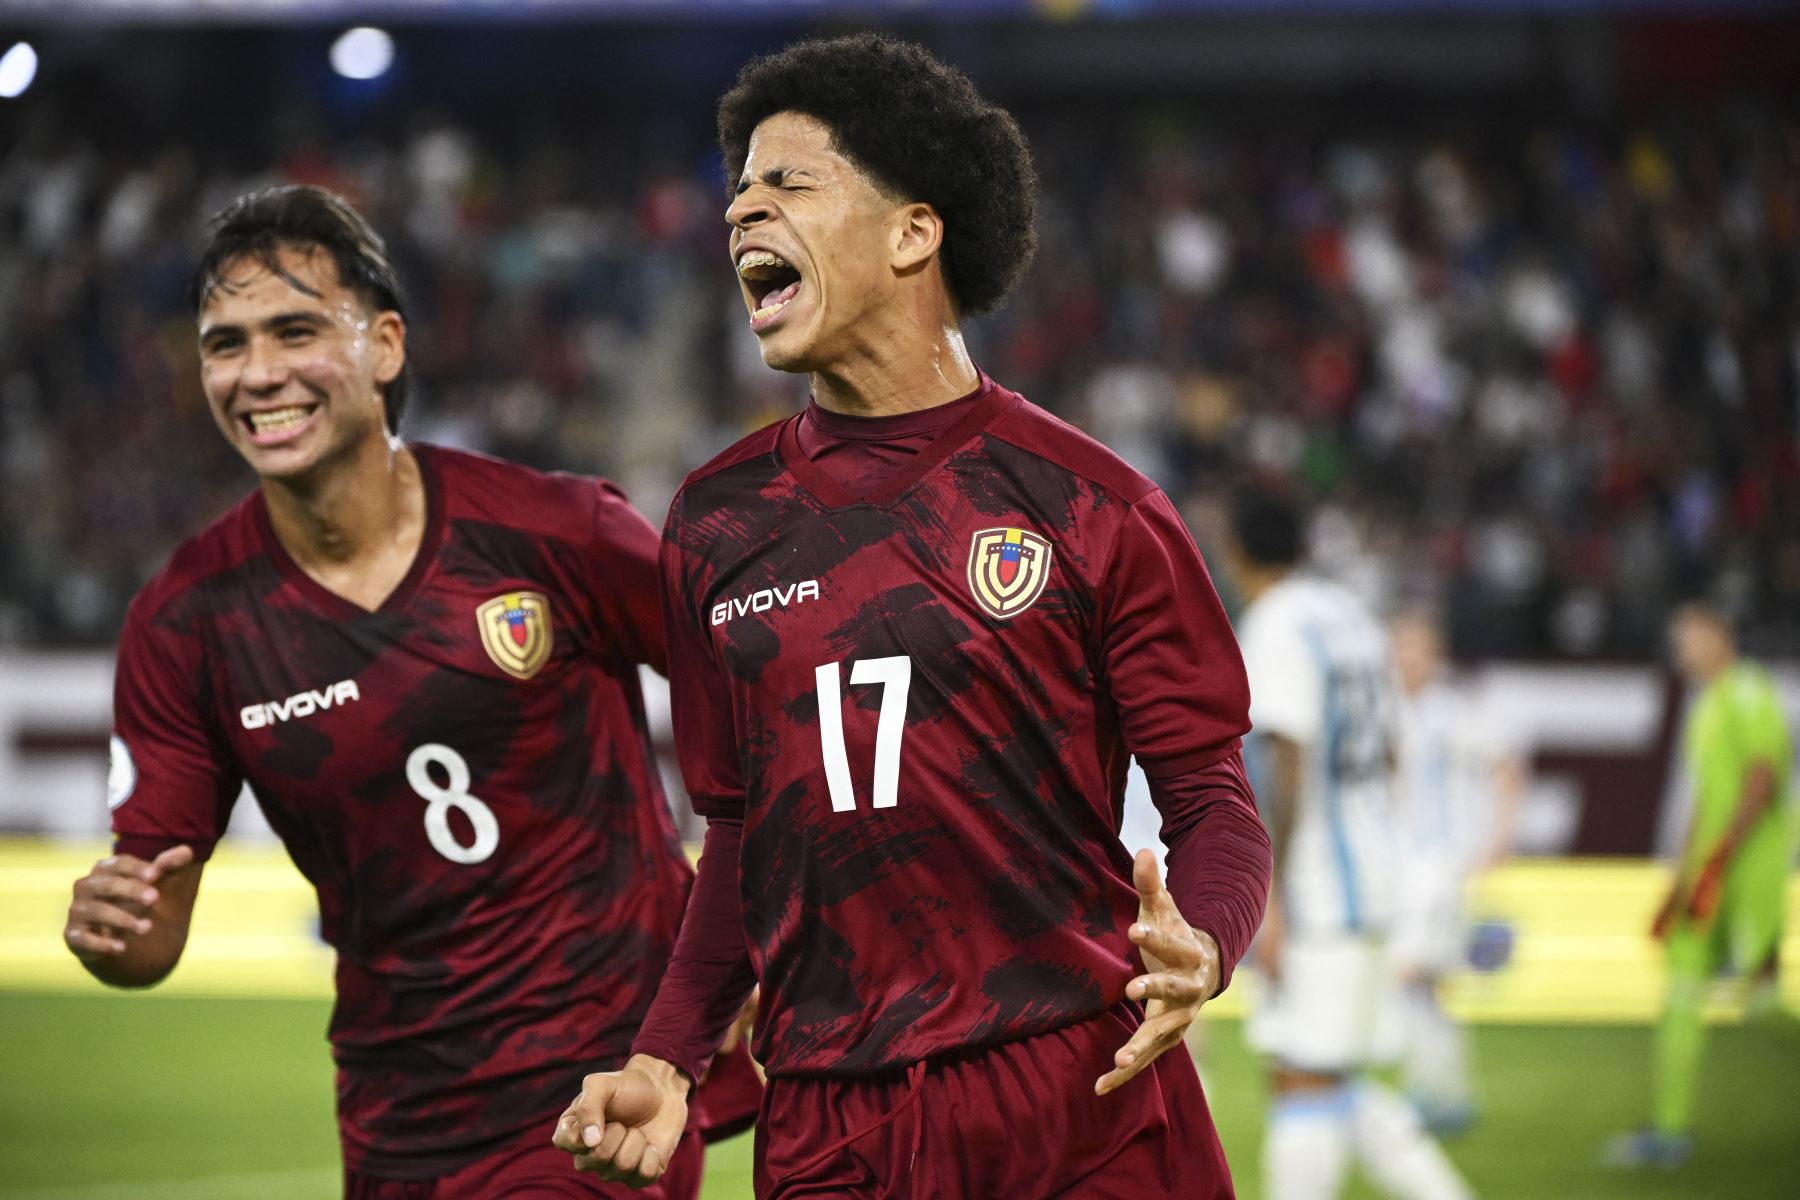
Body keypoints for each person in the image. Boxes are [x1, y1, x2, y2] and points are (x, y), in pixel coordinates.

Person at [554, 33, 1271, 1198]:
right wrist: (667, 1055)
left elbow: (1211, 801)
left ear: (912, 231)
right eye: (736, 190)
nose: (742, 211)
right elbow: (738, 839)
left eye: (788, 182)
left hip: (1082, 1096)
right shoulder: (714, 524)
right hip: (835, 1127)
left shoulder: (1093, 507)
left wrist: (1207, 945)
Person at [60, 184, 753, 1198]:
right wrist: (115, 929)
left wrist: (757, 927)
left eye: (294, 331)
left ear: (384, 346)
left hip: (602, 1083)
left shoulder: (555, 533)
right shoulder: (186, 624)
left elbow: (757, 708)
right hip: (398, 1118)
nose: (257, 374)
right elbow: (152, 930)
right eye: (225, 343)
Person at [1230, 487, 1471, 1200]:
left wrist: (1268, 894)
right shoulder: (1356, 619)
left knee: (1299, 1074)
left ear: (1239, 552)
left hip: (1319, 890)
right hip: (1376, 873)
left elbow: (1289, 758)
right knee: (1334, 1076)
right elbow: (1394, 751)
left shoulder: (1276, 623)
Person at [1604, 599, 1795, 1169]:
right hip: (1709, 873)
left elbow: (1763, 777)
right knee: (1681, 990)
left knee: (1761, 1000)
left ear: (1721, 636)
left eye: (1689, 637)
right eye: (1676, 638)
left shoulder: (1747, 690)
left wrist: (1720, 858)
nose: (1680, 648)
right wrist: (1684, 874)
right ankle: (1669, 1130)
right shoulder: (1707, 703)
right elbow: (1705, 798)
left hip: (1748, 871)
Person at [1388, 609, 1527, 1134]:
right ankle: (1446, 1093)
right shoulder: (1386, 709)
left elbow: (1508, 766)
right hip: (1397, 864)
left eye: (1416, 647)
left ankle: (1430, 1095)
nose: (1405, 658)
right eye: (1399, 646)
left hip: (1439, 864)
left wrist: (1500, 837)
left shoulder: (1454, 712)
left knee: (1408, 975)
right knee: (1423, 987)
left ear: (1436, 655)